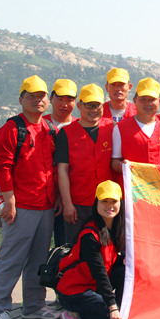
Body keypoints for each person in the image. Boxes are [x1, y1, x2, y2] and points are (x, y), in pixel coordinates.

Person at [0, 75, 61, 319]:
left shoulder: (49, 129)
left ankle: (33, 306)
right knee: (12, 259)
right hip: (21, 206)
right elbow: (3, 167)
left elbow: (54, 167)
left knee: (39, 259)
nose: (37, 100)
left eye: (41, 96)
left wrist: (57, 196)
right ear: (21, 99)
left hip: (46, 205)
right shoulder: (11, 129)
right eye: (31, 96)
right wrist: (9, 201)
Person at [57, 180, 138, 319]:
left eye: (113, 201)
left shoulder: (116, 227)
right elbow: (99, 273)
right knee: (111, 312)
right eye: (104, 201)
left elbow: (111, 262)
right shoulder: (90, 235)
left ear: (120, 203)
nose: (109, 206)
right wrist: (112, 307)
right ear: (96, 203)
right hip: (74, 290)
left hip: (94, 286)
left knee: (127, 271)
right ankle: (72, 314)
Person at [55, 83, 114, 244]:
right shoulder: (66, 133)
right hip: (78, 204)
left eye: (97, 105)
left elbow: (137, 122)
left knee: (106, 248)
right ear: (79, 105)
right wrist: (67, 204)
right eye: (89, 105)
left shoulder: (111, 127)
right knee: (76, 248)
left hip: (106, 202)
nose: (94, 110)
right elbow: (62, 170)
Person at [111, 77, 160, 175]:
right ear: (135, 100)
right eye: (143, 99)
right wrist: (122, 166)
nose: (148, 103)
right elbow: (114, 161)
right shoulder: (120, 128)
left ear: (159, 101)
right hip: (134, 184)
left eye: (152, 99)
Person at [44, 78, 77, 247]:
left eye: (69, 100)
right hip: (42, 196)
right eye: (60, 99)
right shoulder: (40, 123)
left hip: (71, 198)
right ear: (51, 99)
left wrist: (64, 198)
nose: (64, 104)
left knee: (65, 245)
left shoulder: (80, 126)